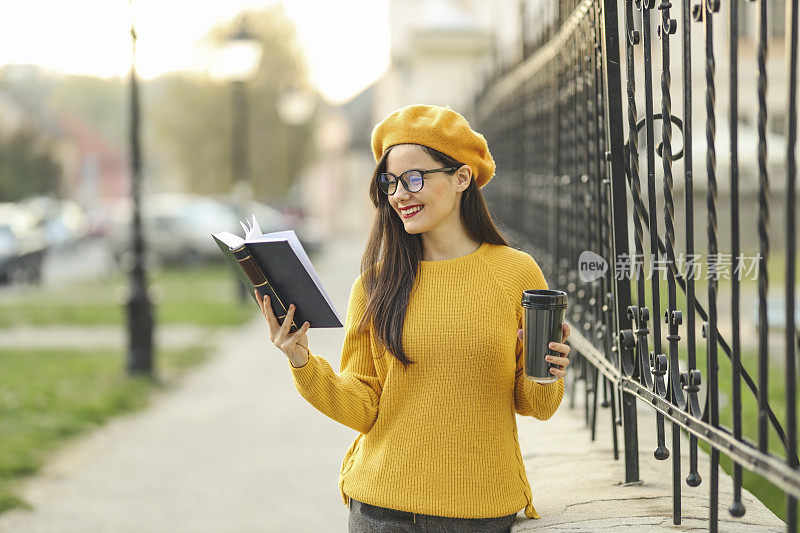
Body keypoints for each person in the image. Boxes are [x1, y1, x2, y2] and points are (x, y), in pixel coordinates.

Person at [256, 104, 571, 533]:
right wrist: (302, 362)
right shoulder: (374, 285)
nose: (400, 194)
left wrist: (547, 372)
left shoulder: (516, 272)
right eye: (390, 183)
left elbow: (536, 405)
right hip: (378, 510)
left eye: (414, 178)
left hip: (478, 513)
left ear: (462, 178)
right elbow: (364, 404)